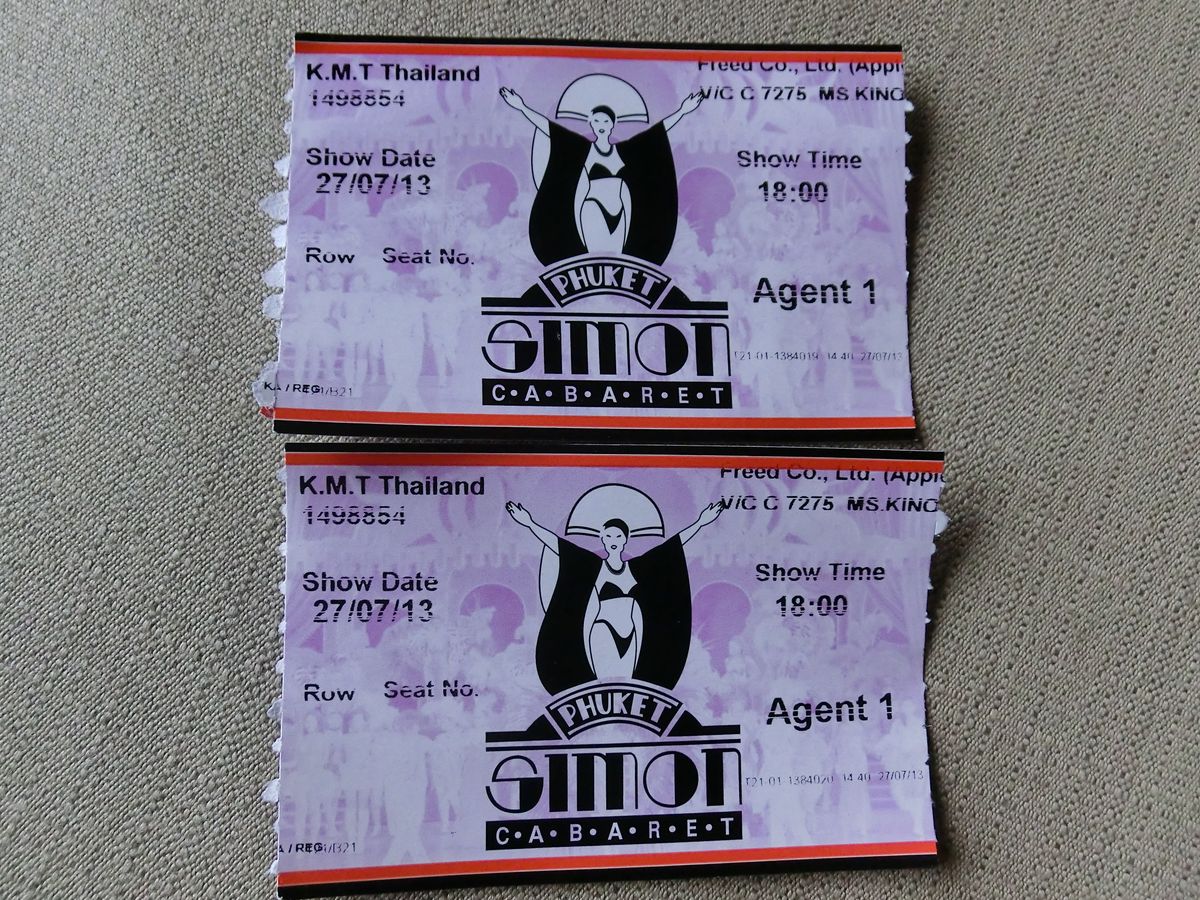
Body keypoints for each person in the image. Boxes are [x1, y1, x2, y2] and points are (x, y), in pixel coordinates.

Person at [504, 496, 721, 692]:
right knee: (604, 685)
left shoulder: (637, 568)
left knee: (627, 686)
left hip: (632, 637)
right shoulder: (593, 567)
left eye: (618, 535)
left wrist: (701, 523)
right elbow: (557, 545)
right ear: (603, 539)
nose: (613, 539)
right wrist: (529, 523)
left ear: (625, 539)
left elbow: (672, 547)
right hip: (602, 634)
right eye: (608, 535)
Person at [499, 84, 704, 264]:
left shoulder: (625, 151)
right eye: (597, 121)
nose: (601, 126)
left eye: (605, 122)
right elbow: (548, 128)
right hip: (592, 211)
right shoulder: (583, 150)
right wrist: (521, 107)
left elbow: (657, 133)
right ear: (591, 124)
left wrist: (683, 111)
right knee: (593, 260)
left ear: (612, 124)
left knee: (617, 261)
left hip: (621, 215)